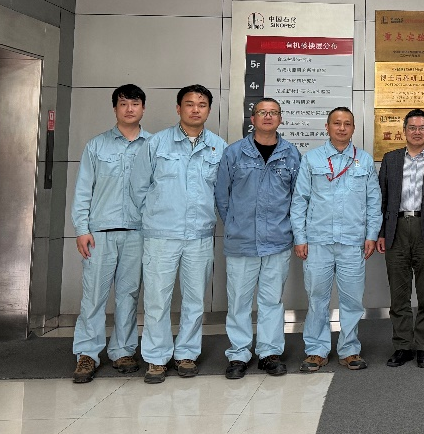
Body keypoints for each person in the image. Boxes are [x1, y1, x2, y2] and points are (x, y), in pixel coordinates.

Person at [131, 84, 226, 384]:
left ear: (208, 110)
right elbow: (138, 188)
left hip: (199, 236)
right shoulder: (157, 143)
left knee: (195, 299)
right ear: (178, 108)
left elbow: (223, 193)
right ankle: (156, 358)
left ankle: (186, 354)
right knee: (157, 299)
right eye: (189, 104)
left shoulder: (219, 147)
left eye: (202, 104)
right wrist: (156, 216)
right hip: (161, 235)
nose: (196, 109)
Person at [215, 98, 301, 380]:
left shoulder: (291, 154)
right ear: (252, 119)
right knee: (238, 301)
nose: (268, 116)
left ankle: (269, 353)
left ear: (280, 118)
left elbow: (297, 198)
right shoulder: (234, 153)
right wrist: (236, 225)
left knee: (271, 301)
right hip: (241, 242)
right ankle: (238, 354)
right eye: (262, 112)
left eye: (273, 112)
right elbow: (222, 196)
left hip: (277, 240)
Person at [70, 84, 151, 383]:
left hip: (138, 232)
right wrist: (81, 229)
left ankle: (122, 351)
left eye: (135, 103)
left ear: (143, 108)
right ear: (115, 108)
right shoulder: (96, 146)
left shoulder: (153, 146)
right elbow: (83, 190)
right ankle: (87, 354)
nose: (129, 108)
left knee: (129, 295)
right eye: (123, 103)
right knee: (93, 295)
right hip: (100, 233)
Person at [291, 107, 381, 372]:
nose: (342, 128)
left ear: (353, 128)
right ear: (327, 127)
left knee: (352, 300)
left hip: (353, 242)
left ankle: (349, 349)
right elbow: (300, 201)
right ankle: (316, 350)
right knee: (317, 298)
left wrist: (371, 235)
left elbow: (373, 202)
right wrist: (300, 237)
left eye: (347, 124)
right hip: (317, 241)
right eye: (337, 123)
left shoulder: (364, 160)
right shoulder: (312, 159)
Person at [377, 109, 424, 369]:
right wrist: (380, 233)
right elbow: (381, 200)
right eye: (412, 127)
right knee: (398, 294)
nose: (417, 132)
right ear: (404, 131)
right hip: (396, 229)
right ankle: (402, 346)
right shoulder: (390, 160)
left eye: (422, 128)